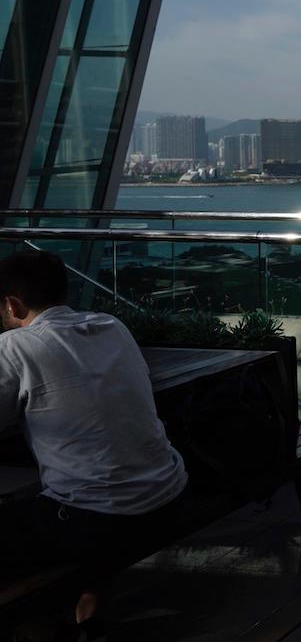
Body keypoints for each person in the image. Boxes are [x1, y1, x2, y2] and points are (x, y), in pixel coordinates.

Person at [0, 250, 189, 633]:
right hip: (170, 498)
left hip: (102, 521)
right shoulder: (111, 325)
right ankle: (88, 607)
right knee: (88, 481)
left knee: (59, 507)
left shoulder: (16, 346)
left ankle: (37, 622)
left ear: (11, 304)